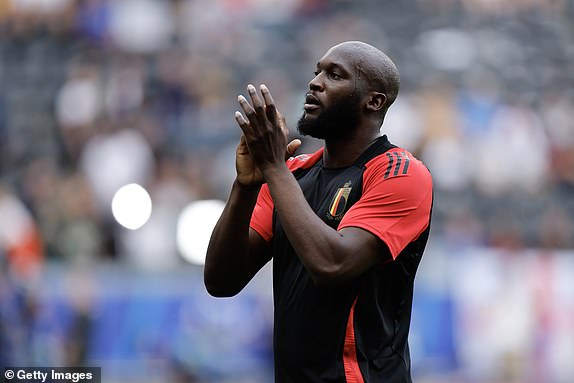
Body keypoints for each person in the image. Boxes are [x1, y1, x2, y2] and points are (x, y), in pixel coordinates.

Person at [204, 41, 433, 383]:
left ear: (373, 101)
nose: (315, 82)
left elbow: (333, 264)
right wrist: (247, 185)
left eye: (335, 75)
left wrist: (273, 168)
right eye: (317, 72)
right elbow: (221, 281)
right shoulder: (293, 174)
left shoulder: (399, 173)